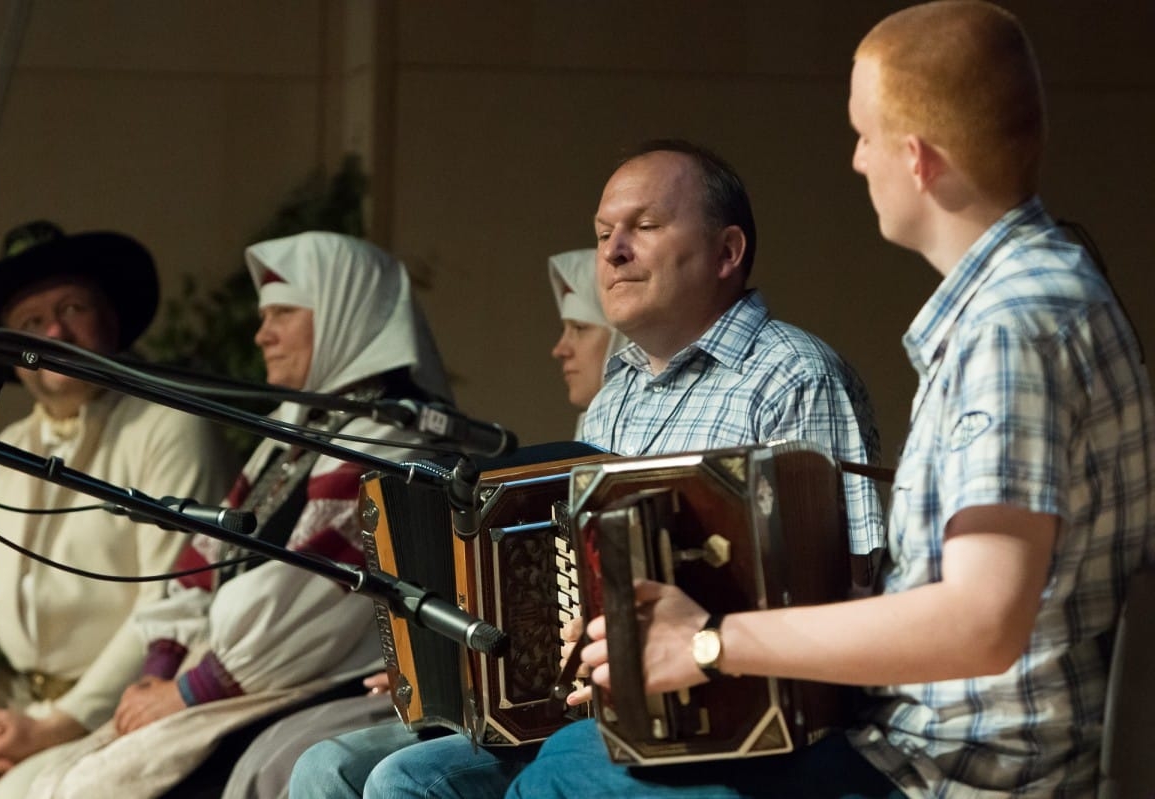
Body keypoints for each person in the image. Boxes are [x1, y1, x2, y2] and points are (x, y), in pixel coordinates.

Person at [506, 3, 1155, 798]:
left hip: (953, 772)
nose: (855, 161)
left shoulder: (1014, 323)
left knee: (562, 778)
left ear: (917, 158)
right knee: (561, 761)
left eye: (864, 136)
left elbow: (983, 620)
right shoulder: (1037, 296)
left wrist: (709, 642)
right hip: (928, 747)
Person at [290, 139, 884, 798]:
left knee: (407, 780)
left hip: (720, 719)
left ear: (728, 251)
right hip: (582, 705)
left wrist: (708, 637)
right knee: (328, 767)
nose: (612, 251)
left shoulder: (796, 378)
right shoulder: (615, 394)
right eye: (604, 233)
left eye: (645, 227)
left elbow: (855, 586)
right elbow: (565, 574)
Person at [0, 232, 451, 799]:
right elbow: (200, 562)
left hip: (311, 688)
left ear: (342, 314)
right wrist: (161, 666)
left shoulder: (391, 446)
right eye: (263, 315)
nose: (263, 334)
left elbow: (305, 601)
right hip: (232, 682)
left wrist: (185, 691)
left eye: (283, 312)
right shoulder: (293, 439)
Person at [220, 247, 626, 799]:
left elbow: (293, 604)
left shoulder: (393, 442)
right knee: (317, 761)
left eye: (579, 328)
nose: (559, 347)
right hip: (485, 686)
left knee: (303, 760)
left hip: (311, 674)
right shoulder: (289, 432)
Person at [0, 221, 234, 791]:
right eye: (31, 322)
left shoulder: (169, 428)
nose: (54, 330)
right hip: (5, 712)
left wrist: (61, 722)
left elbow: (173, 598)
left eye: (72, 307)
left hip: (122, 711)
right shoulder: (3, 448)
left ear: (111, 318)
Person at [548, 248, 629, 435]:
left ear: (624, 337)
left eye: (580, 328)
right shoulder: (594, 430)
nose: (559, 350)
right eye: (564, 330)